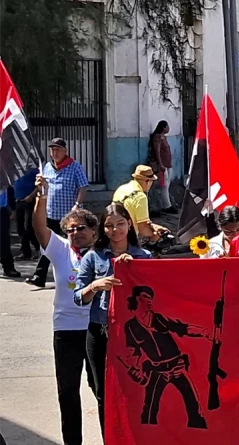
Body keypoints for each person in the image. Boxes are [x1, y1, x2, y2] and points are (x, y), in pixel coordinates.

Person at [74, 203, 152, 434]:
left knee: (135, 389)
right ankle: (110, 437)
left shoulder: (144, 256)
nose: (115, 230)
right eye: (109, 225)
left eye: (120, 224)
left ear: (129, 224)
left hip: (133, 337)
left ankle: (135, 436)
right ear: (103, 229)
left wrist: (134, 269)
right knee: (103, 392)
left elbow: (155, 295)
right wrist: (95, 285)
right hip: (100, 332)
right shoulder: (92, 257)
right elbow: (78, 297)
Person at [31, 174, 96, 444]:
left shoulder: (105, 253)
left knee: (102, 390)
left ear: (94, 231)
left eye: (81, 228)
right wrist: (41, 196)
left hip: (97, 330)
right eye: (70, 229)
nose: (75, 233)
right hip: (66, 330)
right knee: (67, 391)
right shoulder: (61, 250)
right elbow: (39, 228)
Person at [120, 286, 209, 428]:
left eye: (151, 298)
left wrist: (205, 332)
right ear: (137, 298)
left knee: (194, 404)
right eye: (145, 297)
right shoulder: (131, 326)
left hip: (177, 367)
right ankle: (148, 438)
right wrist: (135, 369)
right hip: (157, 370)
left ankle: (199, 437)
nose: (149, 301)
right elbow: (133, 350)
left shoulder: (159, 319)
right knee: (149, 409)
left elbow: (182, 328)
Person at [28, 138, 89, 288]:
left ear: (65, 151)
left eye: (58, 149)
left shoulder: (75, 167)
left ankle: (75, 275)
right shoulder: (47, 167)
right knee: (47, 246)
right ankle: (39, 276)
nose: (55, 153)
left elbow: (83, 187)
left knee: (70, 246)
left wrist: (77, 205)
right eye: (52, 150)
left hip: (68, 216)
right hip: (50, 214)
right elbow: (41, 187)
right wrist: (31, 196)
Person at [112, 165, 170, 242]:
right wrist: (154, 235)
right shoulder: (140, 197)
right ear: (148, 181)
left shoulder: (121, 189)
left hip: (114, 234)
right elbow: (143, 228)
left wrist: (153, 226)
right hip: (127, 238)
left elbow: (140, 219)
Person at [146, 120, 176, 213]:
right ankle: (167, 205)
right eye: (167, 126)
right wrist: (161, 164)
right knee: (164, 185)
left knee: (167, 184)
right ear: (163, 127)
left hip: (167, 164)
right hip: (163, 165)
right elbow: (157, 152)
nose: (168, 128)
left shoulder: (164, 138)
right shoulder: (157, 137)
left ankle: (166, 204)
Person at [14, 167, 39, 260]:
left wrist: (31, 196)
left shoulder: (33, 170)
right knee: (19, 228)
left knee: (29, 228)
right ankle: (25, 252)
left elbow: (39, 186)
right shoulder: (14, 169)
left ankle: (38, 248)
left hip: (30, 201)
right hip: (18, 201)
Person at [0, 189, 20, 277]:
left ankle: (8, 267)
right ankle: (8, 267)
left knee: (4, 241)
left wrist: (13, 208)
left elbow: (10, 190)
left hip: (2, 210)